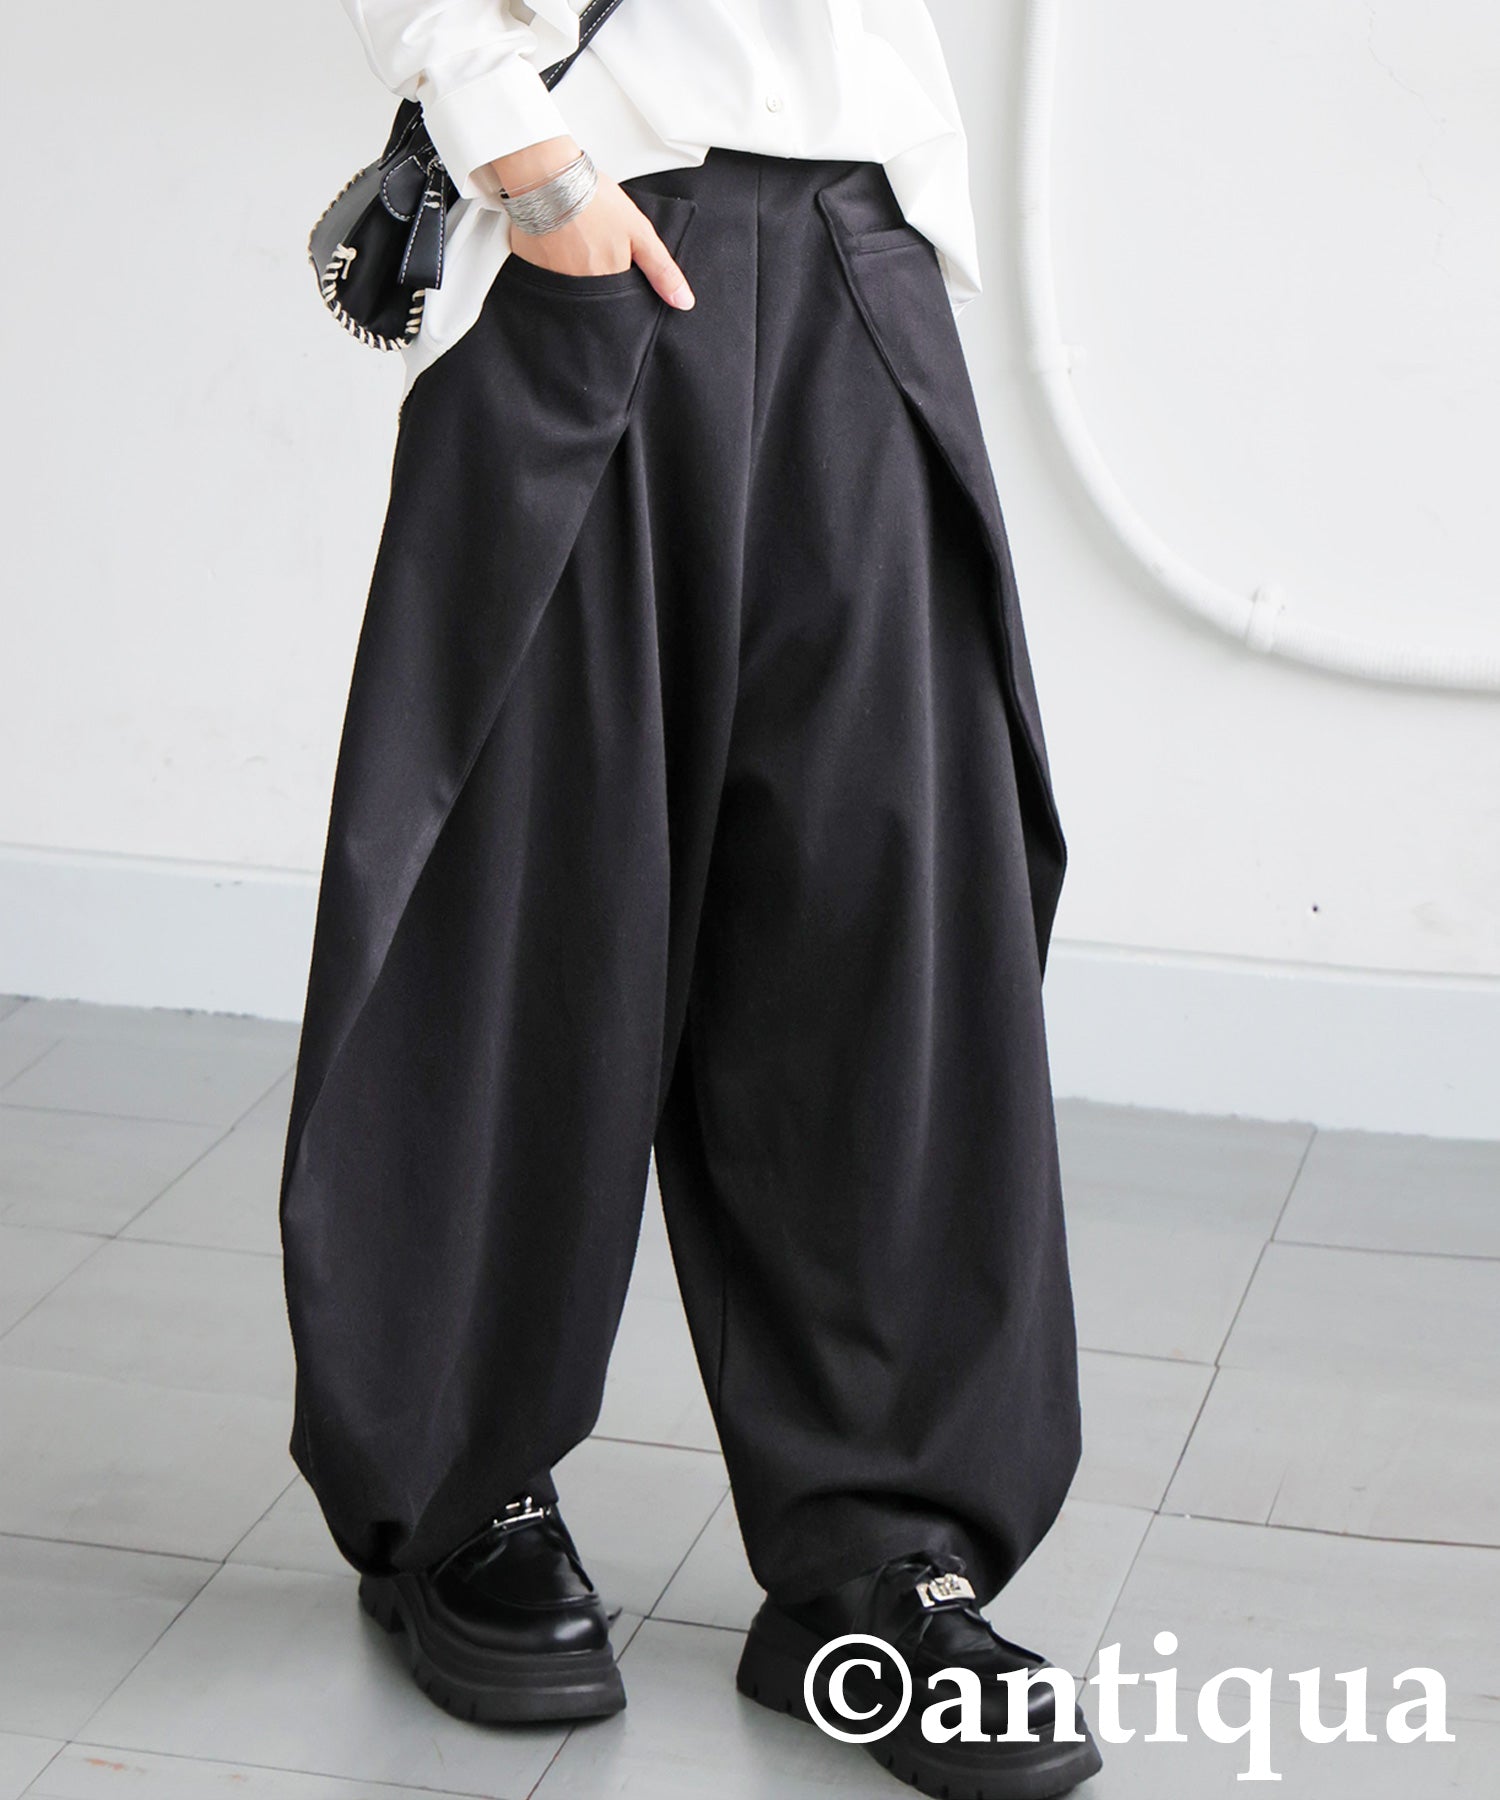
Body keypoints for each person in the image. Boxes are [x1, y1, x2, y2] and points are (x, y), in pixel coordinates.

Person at [279, 2, 1099, 1794]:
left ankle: (880, 1555)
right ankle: (456, 1486)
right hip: (597, 219)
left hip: (860, 243)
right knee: (527, 910)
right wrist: (529, 160)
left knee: (889, 929)